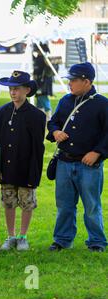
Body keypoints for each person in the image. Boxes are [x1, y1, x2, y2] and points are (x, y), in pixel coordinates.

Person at [47, 62, 108, 252]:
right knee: (64, 206)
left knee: (91, 207)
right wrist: (55, 132)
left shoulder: (102, 104)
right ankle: (62, 240)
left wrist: (97, 152)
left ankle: (97, 242)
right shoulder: (65, 100)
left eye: (74, 80)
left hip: (89, 164)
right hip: (64, 162)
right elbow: (53, 122)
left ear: (87, 81)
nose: (70, 84)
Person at [0, 70, 46, 251]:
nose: (13, 92)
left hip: (25, 167)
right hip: (6, 168)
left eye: (17, 89)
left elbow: (38, 148)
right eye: (10, 89)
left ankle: (23, 236)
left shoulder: (36, 116)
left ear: (27, 90)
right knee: (8, 202)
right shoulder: (1, 113)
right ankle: (11, 236)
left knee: (26, 202)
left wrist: (34, 174)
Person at [32, 42, 54, 121]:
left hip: (43, 82)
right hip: (37, 81)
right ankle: (40, 118)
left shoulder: (46, 58)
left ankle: (49, 119)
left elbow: (49, 69)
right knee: (38, 101)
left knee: (43, 98)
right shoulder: (37, 58)